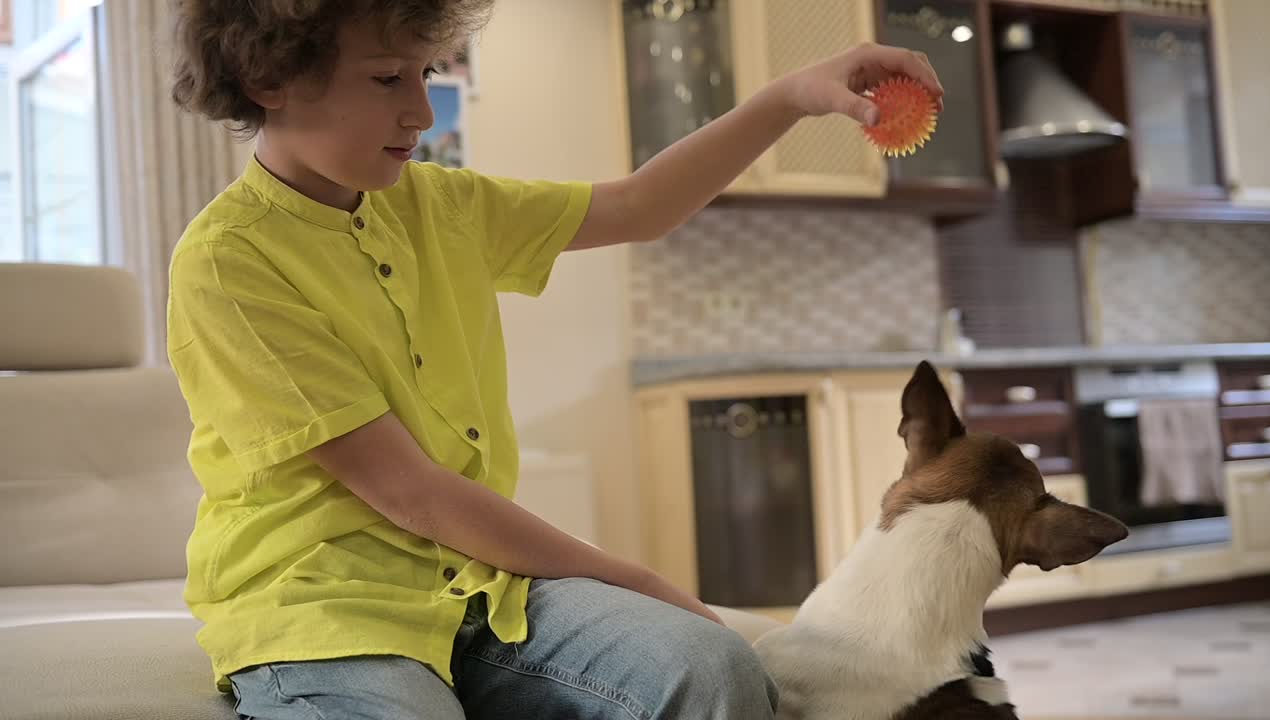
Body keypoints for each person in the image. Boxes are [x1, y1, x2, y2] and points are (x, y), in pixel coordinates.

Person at [167, 1, 943, 718]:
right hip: (323, 610)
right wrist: (636, 576)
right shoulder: (227, 262)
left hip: (483, 588)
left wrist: (791, 96)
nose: (420, 109)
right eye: (386, 78)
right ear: (268, 78)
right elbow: (414, 494)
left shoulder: (440, 204)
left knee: (712, 669)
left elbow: (642, 206)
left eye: (425, 73)